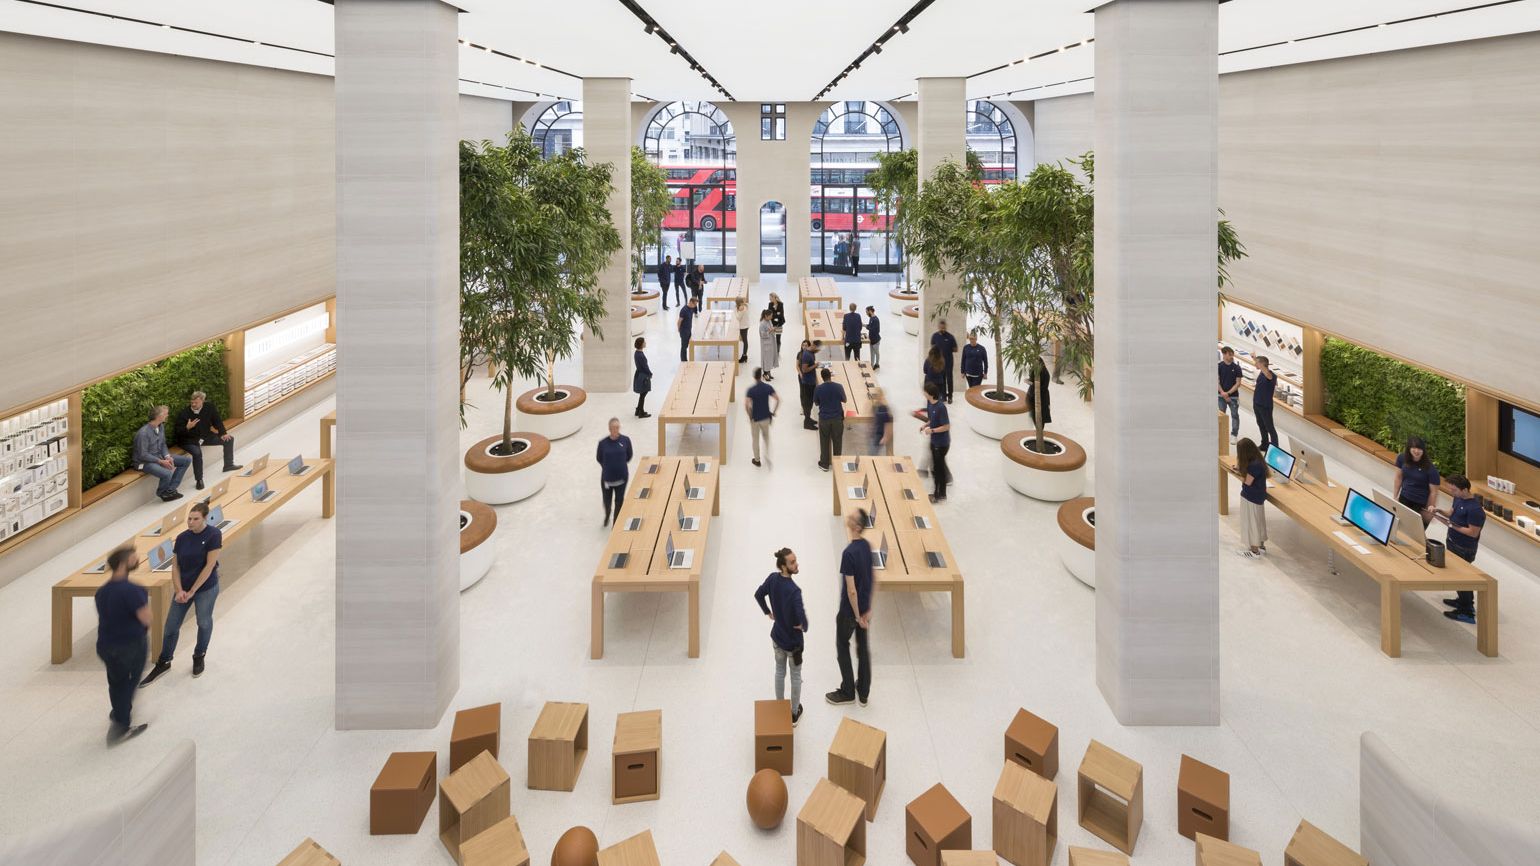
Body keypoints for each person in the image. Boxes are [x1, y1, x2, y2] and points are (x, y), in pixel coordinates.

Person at [140, 501, 223, 686]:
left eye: (195, 519)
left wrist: (193, 590)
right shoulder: (182, 537)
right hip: (183, 590)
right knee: (171, 627)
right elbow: (175, 566)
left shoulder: (214, 535)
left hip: (205, 588)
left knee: (203, 621)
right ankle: (164, 661)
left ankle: (199, 655)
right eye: (189, 518)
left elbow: (209, 566)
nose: (191, 522)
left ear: (204, 518)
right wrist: (179, 590)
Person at [95, 545, 151, 743]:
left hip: (106, 645)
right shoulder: (133, 590)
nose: (138, 560)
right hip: (129, 645)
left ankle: (118, 710)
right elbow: (146, 619)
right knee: (129, 682)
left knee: (116, 681)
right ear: (124, 563)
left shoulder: (101, 592)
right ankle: (121, 726)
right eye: (134, 558)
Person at [755, 548, 808, 725]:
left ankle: (779, 707)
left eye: (796, 560)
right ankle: (793, 713)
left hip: (777, 638)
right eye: (792, 562)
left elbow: (758, 594)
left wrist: (768, 612)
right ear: (783, 566)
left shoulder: (772, 579)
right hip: (793, 644)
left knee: (779, 671)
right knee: (795, 676)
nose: (796, 564)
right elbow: (803, 620)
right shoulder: (794, 591)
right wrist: (804, 626)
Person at [826, 509, 873, 707]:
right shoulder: (866, 547)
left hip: (850, 612)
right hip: (864, 609)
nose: (849, 517)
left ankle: (847, 691)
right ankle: (863, 691)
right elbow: (872, 579)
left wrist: (856, 616)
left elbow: (851, 590)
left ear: (857, 527)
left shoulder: (849, 553)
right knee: (863, 649)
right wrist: (867, 610)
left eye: (852, 518)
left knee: (842, 647)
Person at [1436, 475, 1484, 624]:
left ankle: (1467, 611)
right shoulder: (1458, 498)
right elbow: (1451, 513)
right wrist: (1439, 512)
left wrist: (1451, 525)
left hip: (1464, 548)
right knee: (1455, 576)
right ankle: (1462, 600)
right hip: (1452, 541)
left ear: (1464, 490)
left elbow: (1473, 532)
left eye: (1454, 490)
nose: (1452, 492)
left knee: (1462, 578)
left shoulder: (1475, 509)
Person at [174, 391, 241, 491]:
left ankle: (228, 465)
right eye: (192, 402)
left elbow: (217, 421)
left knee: (229, 439)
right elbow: (178, 432)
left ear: (202, 401)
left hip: (205, 436)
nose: (193, 404)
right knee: (197, 453)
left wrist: (223, 433)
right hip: (189, 440)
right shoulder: (184, 413)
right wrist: (187, 427)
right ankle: (199, 480)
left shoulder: (209, 407)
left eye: (196, 403)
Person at [134, 405, 192, 502]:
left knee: (186, 461)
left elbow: (163, 444)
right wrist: (161, 461)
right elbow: (142, 455)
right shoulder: (143, 433)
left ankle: (170, 490)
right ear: (159, 416)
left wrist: (167, 456)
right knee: (167, 473)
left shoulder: (161, 427)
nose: (167, 415)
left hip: (159, 457)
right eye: (166, 414)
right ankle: (162, 493)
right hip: (143, 462)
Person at [1234, 437, 1269, 558]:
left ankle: (1254, 551)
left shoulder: (1253, 466)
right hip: (1258, 498)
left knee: (1251, 523)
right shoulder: (1258, 461)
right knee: (1258, 521)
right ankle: (1261, 546)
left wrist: (1239, 473)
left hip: (1250, 497)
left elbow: (1247, 482)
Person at [1393, 436, 1440, 526]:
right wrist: (1395, 497)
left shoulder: (1431, 469)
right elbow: (1398, 477)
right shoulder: (1402, 458)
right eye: (1414, 448)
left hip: (1419, 503)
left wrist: (1429, 509)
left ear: (1423, 450)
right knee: (1398, 524)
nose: (1417, 451)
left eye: (1420, 449)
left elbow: (1433, 492)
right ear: (1409, 448)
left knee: (1411, 527)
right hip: (1404, 497)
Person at [596, 418, 633, 527]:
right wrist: (608, 467)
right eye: (613, 428)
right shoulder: (602, 443)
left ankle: (615, 524)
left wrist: (619, 464)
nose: (615, 429)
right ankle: (607, 515)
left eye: (617, 427)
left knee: (619, 502)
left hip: (622, 479)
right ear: (609, 428)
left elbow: (629, 455)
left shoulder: (625, 440)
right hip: (607, 480)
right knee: (607, 502)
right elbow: (599, 458)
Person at [920, 383, 951, 502]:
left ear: (930, 394)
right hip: (934, 442)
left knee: (938, 471)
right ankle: (939, 493)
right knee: (936, 469)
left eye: (925, 392)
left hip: (941, 444)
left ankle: (939, 495)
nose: (924, 393)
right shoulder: (930, 404)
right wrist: (925, 425)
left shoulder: (941, 407)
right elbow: (932, 420)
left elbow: (946, 426)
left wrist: (932, 430)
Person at [814, 367, 847, 472]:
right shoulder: (839, 387)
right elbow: (844, 400)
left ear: (822, 378)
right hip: (837, 418)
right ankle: (837, 464)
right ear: (830, 376)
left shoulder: (818, 388)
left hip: (824, 419)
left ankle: (824, 464)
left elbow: (816, 402)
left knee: (824, 441)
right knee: (837, 441)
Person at [746, 367, 779, 468]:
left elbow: (746, 405)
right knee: (766, 437)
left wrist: (750, 415)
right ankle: (767, 454)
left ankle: (757, 460)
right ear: (761, 376)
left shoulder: (751, 390)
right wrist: (774, 412)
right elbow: (778, 399)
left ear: (754, 377)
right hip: (766, 417)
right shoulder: (768, 387)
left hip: (755, 418)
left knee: (755, 439)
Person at [1252, 355, 1279, 450]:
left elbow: (1267, 374)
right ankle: (1264, 444)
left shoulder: (1271, 376)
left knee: (1269, 427)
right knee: (1261, 424)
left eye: (1257, 363)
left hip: (1265, 405)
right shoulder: (1261, 373)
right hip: (1257, 403)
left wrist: (1258, 362)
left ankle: (1275, 448)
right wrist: (1255, 359)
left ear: (1262, 364)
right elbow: (1261, 367)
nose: (1255, 364)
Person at [1217, 346, 1243, 440]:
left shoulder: (1237, 368)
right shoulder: (1219, 367)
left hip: (1233, 397)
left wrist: (1227, 393)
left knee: (1235, 415)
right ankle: (1220, 434)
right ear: (1224, 354)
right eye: (1229, 354)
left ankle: (1234, 434)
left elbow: (1238, 383)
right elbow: (1217, 381)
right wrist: (1223, 393)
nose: (1231, 356)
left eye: (1232, 354)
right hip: (1220, 396)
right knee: (1221, 415)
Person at [930, 320, 959, 403]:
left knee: (949, 379)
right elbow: (932, 347)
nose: (942, 329)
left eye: (943, 328)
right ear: (938, 327)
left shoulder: (950, 337)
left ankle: (950, 396)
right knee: (941, 380)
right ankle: (943, 396)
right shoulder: (935, 336)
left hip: (949, 362)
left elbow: (956, 349)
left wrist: (948, 348)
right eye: (941, 328)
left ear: (946, 327)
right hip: (939, 363)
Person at [797, 340, 819, 431]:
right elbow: (804, 369)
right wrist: (815, 366)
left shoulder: (810, 354)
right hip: (806, 381)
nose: (804, 347)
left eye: (806, 345)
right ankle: (807, 422)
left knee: (809, 401)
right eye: (803, 345)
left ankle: (809, 419)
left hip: (810, 381)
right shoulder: (804, 354)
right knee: (807, 401)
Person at [1025, 358, 1052, 426]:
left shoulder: (1045, 373)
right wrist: (1028, 380)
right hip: (1032, 394)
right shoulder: (1034, 369)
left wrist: (1031, 383)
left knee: (1041, 415)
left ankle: (1039, 431)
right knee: (1032, 412)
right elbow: (1032, 379)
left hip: (1041, 396)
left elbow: (1043, 387)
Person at [633, 337, 653, 419]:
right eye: (644, 342)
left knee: (642, 394)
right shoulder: (641, 355)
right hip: (643, 375)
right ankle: (641, 412)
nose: (645, 343)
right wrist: (650, 373)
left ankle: (638, 410)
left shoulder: (636, 353)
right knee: (643, 393)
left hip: (639, 374)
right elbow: (645, 366)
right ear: (641, 344)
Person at [870, 386, 893, 456]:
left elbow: (888, 423)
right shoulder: (875, 405)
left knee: (873, 453)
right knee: (872, 452)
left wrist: (885, 436)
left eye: (877, 395)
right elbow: (874, 418)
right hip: (875, 432)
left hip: (881, 434)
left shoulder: (884, 408)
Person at [758, 309, 778, 381]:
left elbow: (771, 328)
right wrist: (770, 331)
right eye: (770, 316)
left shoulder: (769, 321)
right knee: (766, 359)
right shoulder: (762, 324)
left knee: (770, 358)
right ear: (766, 316)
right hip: (765, 345)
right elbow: (762, 334)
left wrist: (773, 329)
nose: (771, 317)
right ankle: (765, 374)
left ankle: (769, 372)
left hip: (771, 342)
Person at [677, 296, 698, 363]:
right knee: (684, 346)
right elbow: (679, 321)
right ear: (691, 302)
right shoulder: (684, 310)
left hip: (689, 329)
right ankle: (683, 361)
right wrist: (679, 330)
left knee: (687, 345)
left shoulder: (691, 308)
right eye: (694, 304)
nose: (695, 306)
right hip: (684, 331)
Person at [864, 305, 881, 370]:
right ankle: (871, 365)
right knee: (872, 353)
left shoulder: (875, 320)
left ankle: (877, 364)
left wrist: (867, 327)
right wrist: (864, 325)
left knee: (876, 352)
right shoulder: (871, 318)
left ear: (870, 311)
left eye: (866, 312)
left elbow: (875, 330)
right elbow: (870, 326)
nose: (866, 313)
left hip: (876, 340)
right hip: (871, 339)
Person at [736, 300, 751, 364]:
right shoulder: (745, 306)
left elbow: (738, 317)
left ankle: (744, 355)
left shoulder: (741, 308)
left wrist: (736, 311)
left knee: (745, 341)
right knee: (745, 341)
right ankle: (744, 355)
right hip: (746, 325)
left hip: (743, 327)